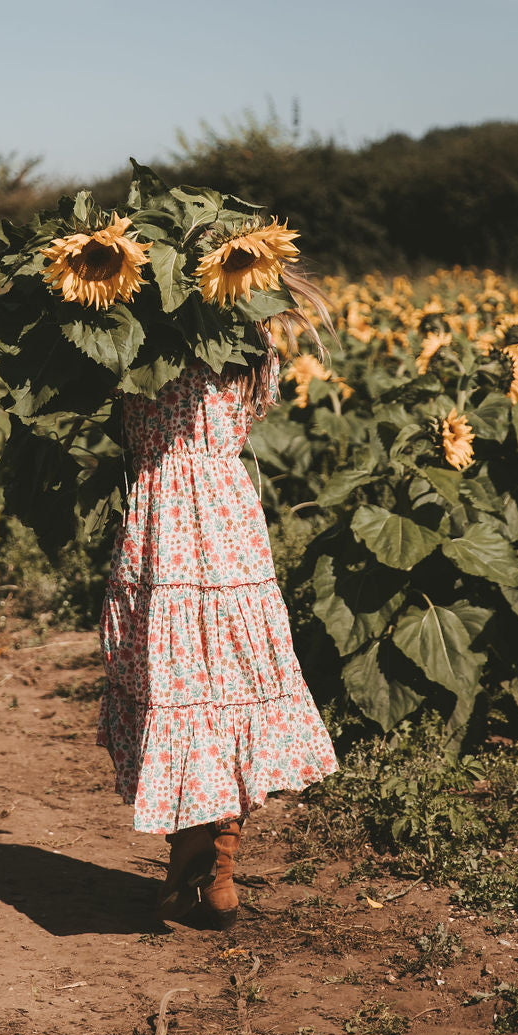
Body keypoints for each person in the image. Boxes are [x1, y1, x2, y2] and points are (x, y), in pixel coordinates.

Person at [96, 269, 338, 930]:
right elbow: (256, 410)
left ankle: (195, 855)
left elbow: (111, 410)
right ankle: (217, 867)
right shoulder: (253, 336)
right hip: (228, 514)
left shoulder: (134, 337)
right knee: (231, 674)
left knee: (175, 676)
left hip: (162, 517)